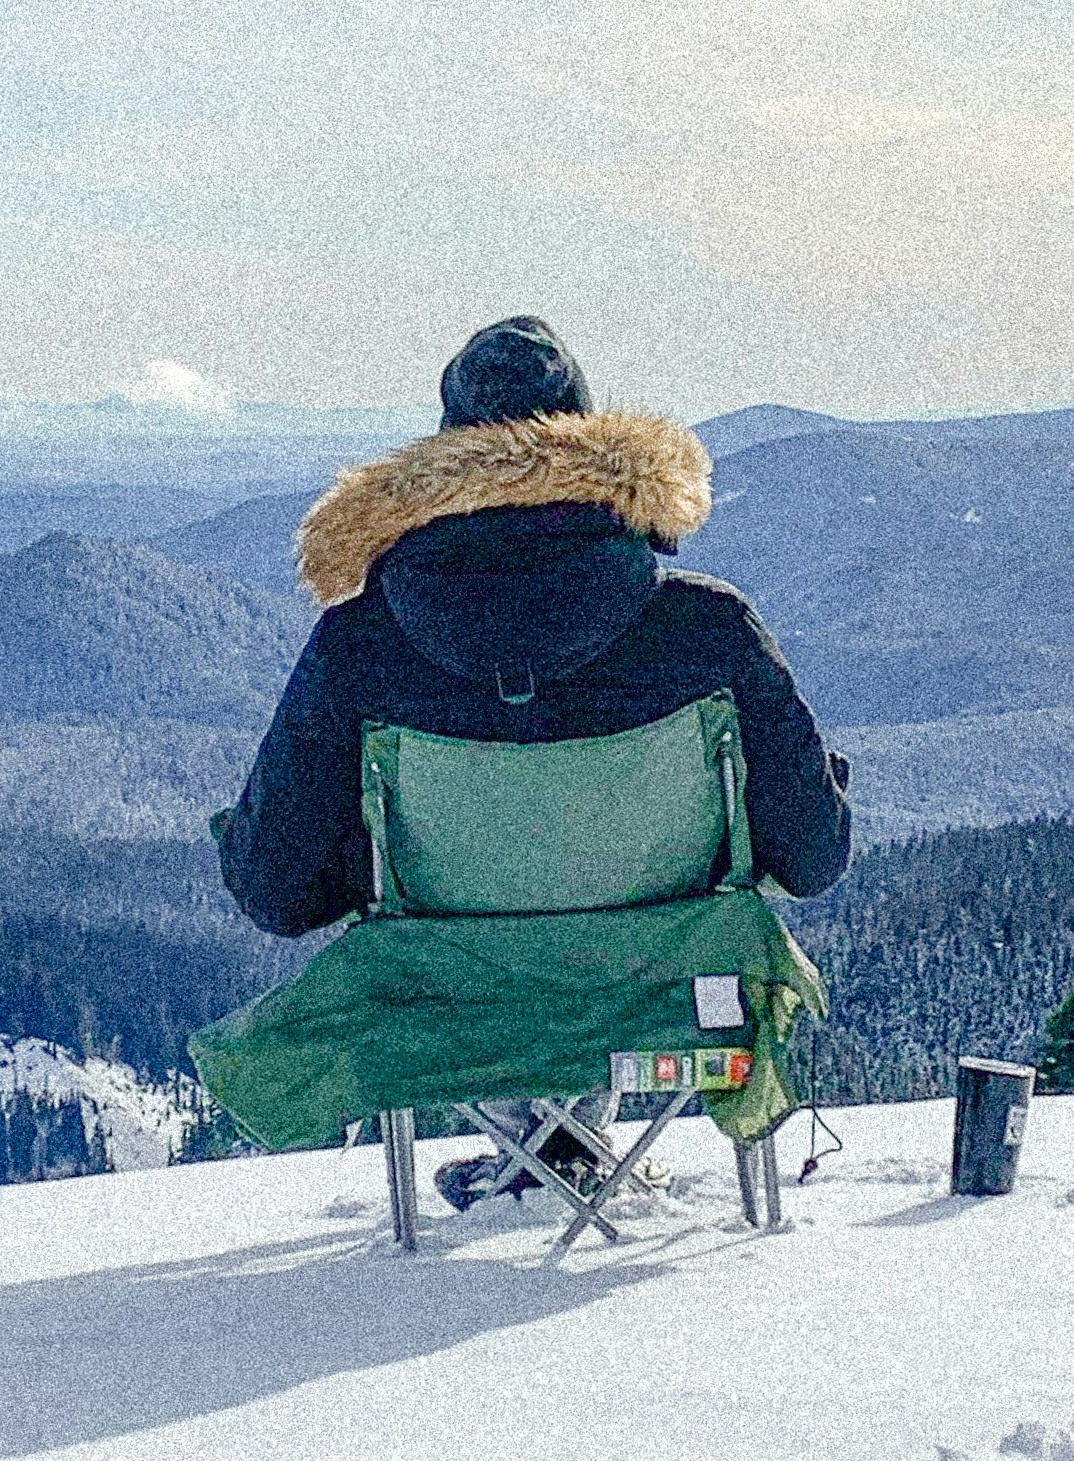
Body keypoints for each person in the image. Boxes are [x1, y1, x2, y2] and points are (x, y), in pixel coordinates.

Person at [213, 319, 851, 1195]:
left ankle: (533, 1151)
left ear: (437, 468)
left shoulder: (356, 648)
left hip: (451, 998)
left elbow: (275, 892)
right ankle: (570, 1147)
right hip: (663, 985)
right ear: (598, 449)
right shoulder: (709, 632)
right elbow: (813, 858)